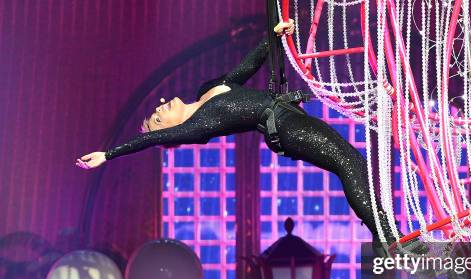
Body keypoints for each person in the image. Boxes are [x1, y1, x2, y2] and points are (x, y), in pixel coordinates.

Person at [76, 19, 425, 255]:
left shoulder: (208, 90)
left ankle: (385, 235)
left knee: (352, 161)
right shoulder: (198, 126)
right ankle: (386, 239)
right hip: (283, 127)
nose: (162, 105)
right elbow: (149, 141)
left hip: (289, 113)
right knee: (348, 161)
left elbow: (244, 69)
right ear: (169, 130)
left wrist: (272, 36)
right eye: (158, 117)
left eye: (157, 108)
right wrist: (109, 154)